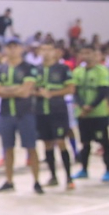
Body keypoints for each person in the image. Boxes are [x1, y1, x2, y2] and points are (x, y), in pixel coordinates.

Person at [0, 38, 43, 194]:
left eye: (15, 46)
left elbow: (26, 91)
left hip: (25, 113)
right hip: (6, 113)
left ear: (21, 48)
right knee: (7, 148)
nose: (12, 50)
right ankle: (9, 180)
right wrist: (15, 90)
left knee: (31, 147)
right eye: (9, 47)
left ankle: (36, 181)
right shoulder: (1, 69)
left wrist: (7, 90)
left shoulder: (29, 68)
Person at [35, 43, 76, 190]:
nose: (45, 52)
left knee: (61, 141)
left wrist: (51, 94)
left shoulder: (63, 69)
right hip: (41, 111)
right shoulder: (36, 70)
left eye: (49, 49)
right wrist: (38, 93)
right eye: (43, 49)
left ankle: (69, 177)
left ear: (55, 52)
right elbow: (30, 89)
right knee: (47, 143)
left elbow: (70, 88)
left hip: (58, 111)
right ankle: (53, 176)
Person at [71, 44, 109, 182]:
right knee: (85, 143)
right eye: (83, 52)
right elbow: (75, 91)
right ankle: (84, 169)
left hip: (99, 113)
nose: (86, 55)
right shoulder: (78, 71)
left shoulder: (102, 71)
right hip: (83, 114)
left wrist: (91, 106)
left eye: (89, 52)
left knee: (104, 142)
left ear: (95, 54)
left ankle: (108, 169)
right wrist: (82, 106)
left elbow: (104, 91)